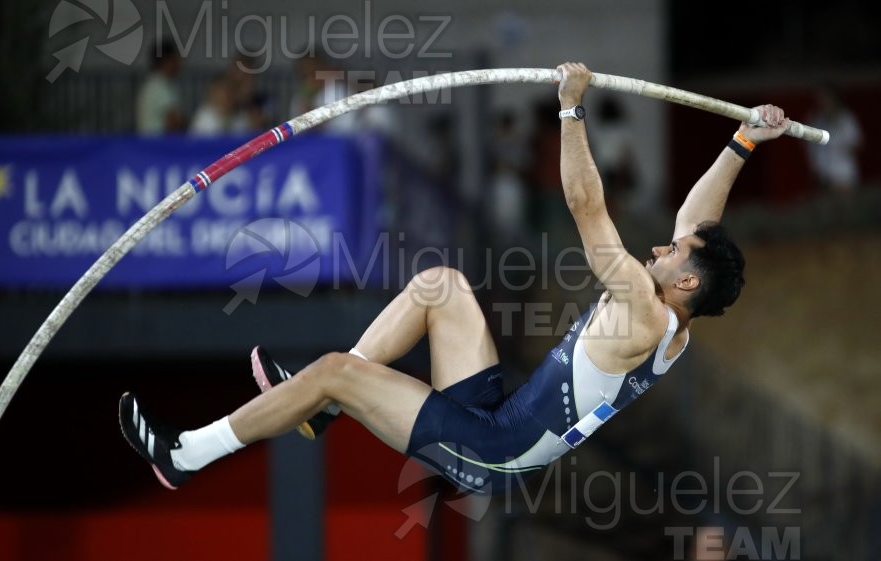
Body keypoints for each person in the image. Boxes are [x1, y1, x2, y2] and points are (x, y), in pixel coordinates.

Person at [118, 63, 790, 494]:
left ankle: (186, 453)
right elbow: (697, 219)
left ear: (687, 284)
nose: (660, 247)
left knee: (328, 369)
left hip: (490, 452)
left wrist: (569, 108)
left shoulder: (646, 312)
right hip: (497, 416)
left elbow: (586, 206)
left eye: (674, 252)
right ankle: (319, 412)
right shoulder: (676, 326)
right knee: (440, 284)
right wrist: (745, 141)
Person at [806, 84, 862, 194]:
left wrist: (840, 148)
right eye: (820, 98)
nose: (823, 102)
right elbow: (810, 147)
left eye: (826, 98)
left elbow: (857, 143)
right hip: (823, 178)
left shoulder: (846, 119)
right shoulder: (816, 120)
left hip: (844, 176)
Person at [135, 39, 184, 135]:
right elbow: (173, 122)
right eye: (176, 59)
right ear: (167, 61)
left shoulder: (151, 84)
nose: (179, 64)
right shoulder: (160, 86)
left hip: (149, 144)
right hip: (159, 146)